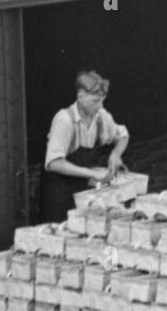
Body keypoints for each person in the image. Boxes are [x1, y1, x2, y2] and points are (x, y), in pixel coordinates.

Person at [40, 70, 129, 223]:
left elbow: (122, 135)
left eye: (102, 100)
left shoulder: (101, 117)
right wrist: (92, 174)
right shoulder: (64, 120)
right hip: (59, 195)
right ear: (80, 96)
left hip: (83, 192)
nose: (100, 105)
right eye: (95, 101)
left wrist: (116, 154)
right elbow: (53, 163)